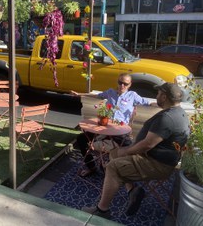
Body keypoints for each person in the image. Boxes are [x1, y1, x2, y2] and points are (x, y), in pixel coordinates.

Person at [82, 83, 190, 219]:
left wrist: (126, 152)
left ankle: (102, 210)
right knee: (114, 153)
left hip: (156, 164)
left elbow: (147, 144)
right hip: (157, 159)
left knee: (112, 166)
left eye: (158, 94)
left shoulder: (167, 118)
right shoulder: (178, 113)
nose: (156, 96)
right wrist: (123, 151)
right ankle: (132, 190)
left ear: (163, 96)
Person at [71, 73, 154, 177]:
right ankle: (91, 167)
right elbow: (97, 95)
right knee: (81, 139)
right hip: (104, 128)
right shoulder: (110, 92)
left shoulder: (132, 95)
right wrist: (79, 94)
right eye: (120, 82)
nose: (122, 86)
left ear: (130, 85)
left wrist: (165, 105)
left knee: (132, 148)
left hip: (120, 130)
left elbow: (148, 103)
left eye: (125, 84)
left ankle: (125, 171)